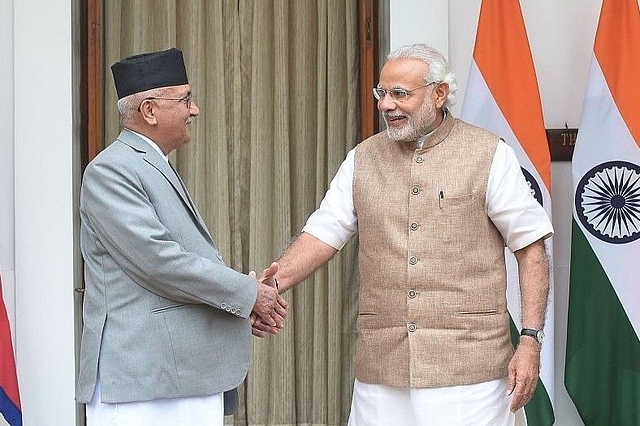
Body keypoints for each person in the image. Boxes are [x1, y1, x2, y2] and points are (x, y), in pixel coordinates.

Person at [254, 43, 552, 425]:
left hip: (469, 372)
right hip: (383, 372)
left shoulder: (489, 153)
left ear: (439, 93)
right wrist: (267, 287)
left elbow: (531, 249)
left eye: (400, 94)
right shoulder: (362, 158)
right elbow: (322, 234)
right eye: (382, 93)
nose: (385, 105)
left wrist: (529, 340)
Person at [76, 47, 286, 425]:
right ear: (150, 111)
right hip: (144, 382)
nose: (195, 109)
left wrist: (243, 301)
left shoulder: (152, 163)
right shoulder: (111, 171)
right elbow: (160, 262)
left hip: (175, 379)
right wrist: (248, 293)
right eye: (185, 98)